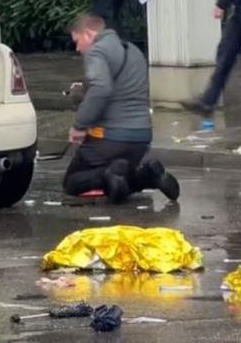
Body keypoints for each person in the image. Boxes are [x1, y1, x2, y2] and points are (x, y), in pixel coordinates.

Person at [63, 14, 179, 204]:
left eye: (77, 41)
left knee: (72, 183)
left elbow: (102, 89)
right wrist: (83, 93)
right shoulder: (133, 50)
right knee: (120, 177)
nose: (77, 48)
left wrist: (79, 126)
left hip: (108, 139)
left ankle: (107, 176)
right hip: (141, 137)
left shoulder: (97, 51)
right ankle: (149, 175)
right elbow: (123, 92)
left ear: (88, 34)